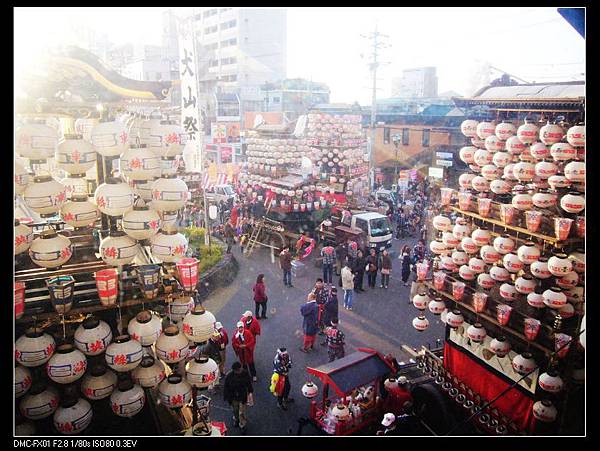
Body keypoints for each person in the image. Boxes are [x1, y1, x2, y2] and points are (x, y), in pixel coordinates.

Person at [223, 361, 253, 435]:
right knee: (235, 410)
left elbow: (248, 383)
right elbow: (226, 388)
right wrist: (227, 398)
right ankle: (236, 419)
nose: (241, 370)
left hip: (242, 396)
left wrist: (250, 392)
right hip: (233, 397)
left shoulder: (245, 373)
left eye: (241, 369)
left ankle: (242, 425)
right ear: (235, 370)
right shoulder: (229, 376)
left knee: (242, 412)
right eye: (239, 370)